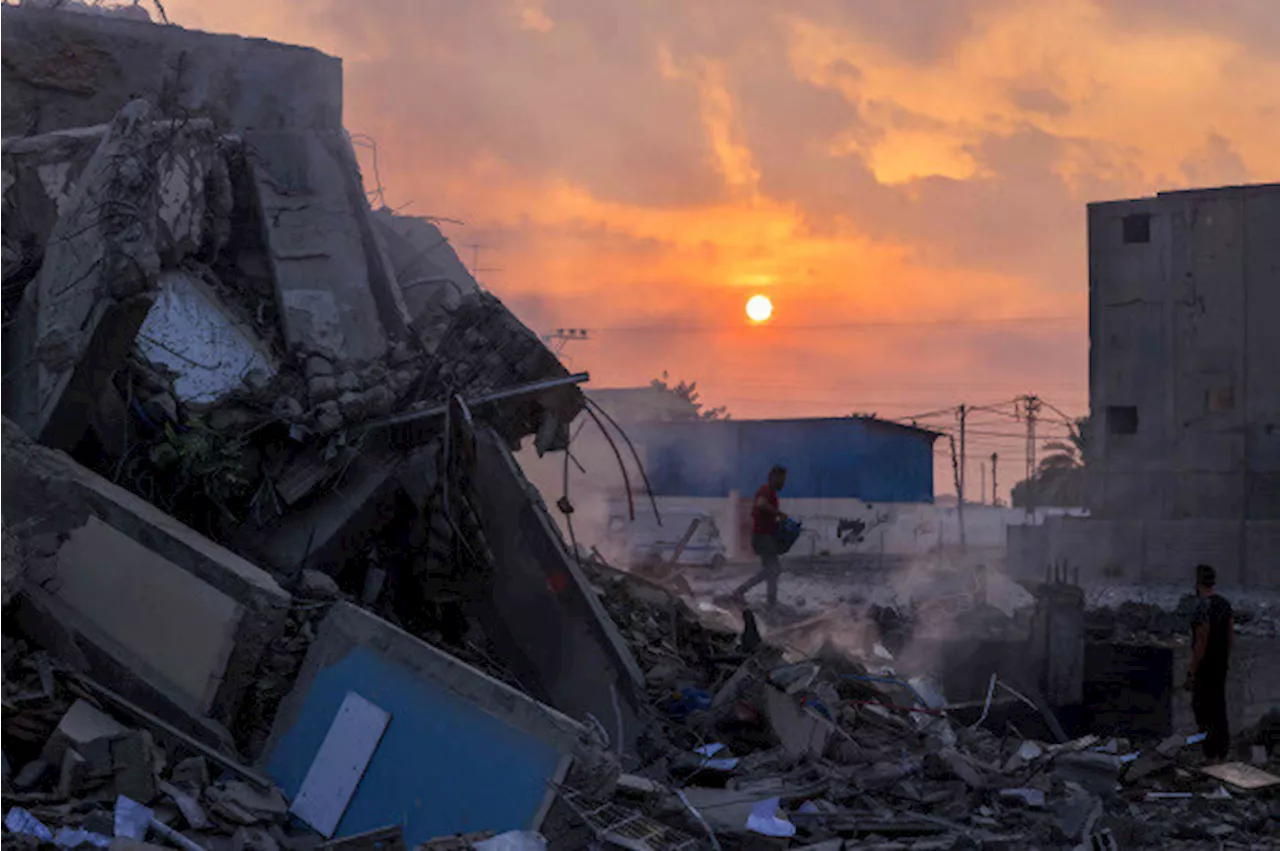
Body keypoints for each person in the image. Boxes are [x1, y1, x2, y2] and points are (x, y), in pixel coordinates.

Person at [1184, 563, 1234, 762]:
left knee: (1202, 708)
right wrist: (1224, 658)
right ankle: (1222, 750)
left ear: (1197, 582)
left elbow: (1201, 639)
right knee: (1218, 706)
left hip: (1205, 667)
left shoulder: (1202, 606)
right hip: (1220, 665)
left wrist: (1191, 671)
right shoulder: (1224, 604)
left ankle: (1210, 752)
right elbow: (1231, 635)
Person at [730, 466, 788, 607]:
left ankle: (770, 601)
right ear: (773, 477)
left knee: (772, 570)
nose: (783, 483)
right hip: (762, 537)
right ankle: (741, 591)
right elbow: (760, 504)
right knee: (773, 569)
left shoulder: (771, 492)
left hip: (766, 536)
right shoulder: (765, 490)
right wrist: (778, 513)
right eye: (781, 479)